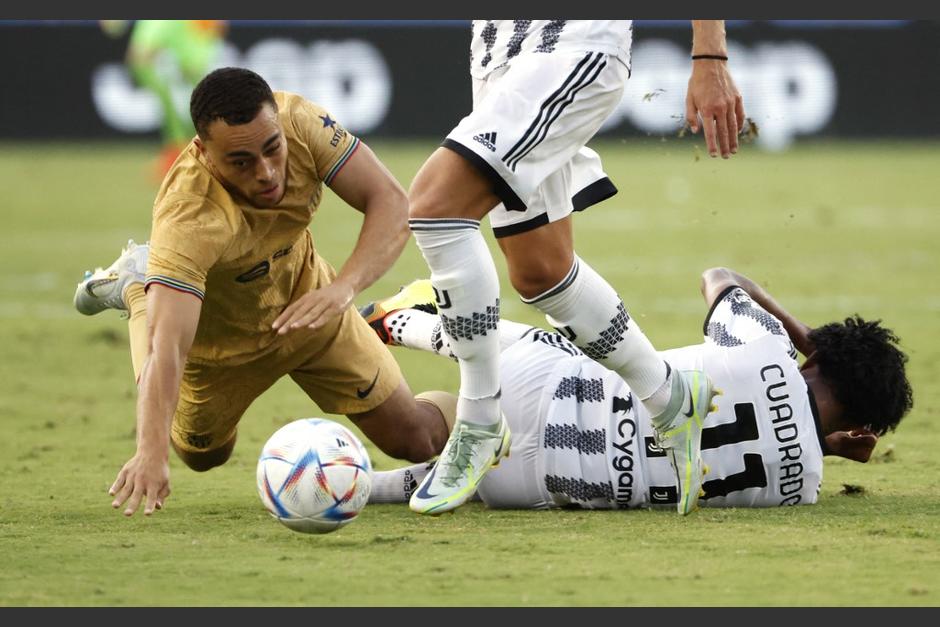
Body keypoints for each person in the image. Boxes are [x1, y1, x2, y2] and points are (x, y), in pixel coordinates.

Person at [73, 67, 455, 518]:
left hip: (311, 308)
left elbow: (390, 200)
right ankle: (140, 287)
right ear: (203, 151)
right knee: (202, 455)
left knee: (417, 439)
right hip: (219, 351)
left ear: (277, 122)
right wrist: (150, 454)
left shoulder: (302, 121)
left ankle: (498, 425)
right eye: (241, 161)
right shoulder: (188, 216)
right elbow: (167, 350)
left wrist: (343, 287)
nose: (267, 172)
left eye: (272, 149)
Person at [404, 20, 745, 515]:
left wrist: (709, 55)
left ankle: (479, 421)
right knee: (541, 271)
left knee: (436, 209)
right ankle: (669, 395)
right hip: (500, 56)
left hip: (568, 44)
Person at [361, 268, 913, 510]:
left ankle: (399, 323)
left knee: (563, 346)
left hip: (541, 387)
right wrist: (831, 442)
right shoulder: (803, 488)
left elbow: (721, 276)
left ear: (815, 355)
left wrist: (804, 333)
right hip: (532, 489)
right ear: (859, 426)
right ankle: (359, 487)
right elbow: (773, 438)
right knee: (459, 438)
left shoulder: (767, 343)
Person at [102, 20, 228, 179]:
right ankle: (182, 160)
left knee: (191, 114)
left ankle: (194, 161)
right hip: (181, 64)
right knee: (180, 114)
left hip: (190, 64)